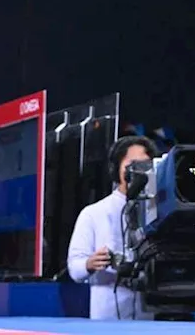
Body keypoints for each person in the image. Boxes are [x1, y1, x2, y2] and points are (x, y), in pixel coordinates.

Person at [66, 136, 157, 320]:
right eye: (132, 164)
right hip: (106, 318)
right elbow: (75, 270)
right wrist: (89, 263)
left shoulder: (158, 211)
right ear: (116, 169)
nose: (139, 172)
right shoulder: (93, 213)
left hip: (147, 317)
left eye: (145, 166)